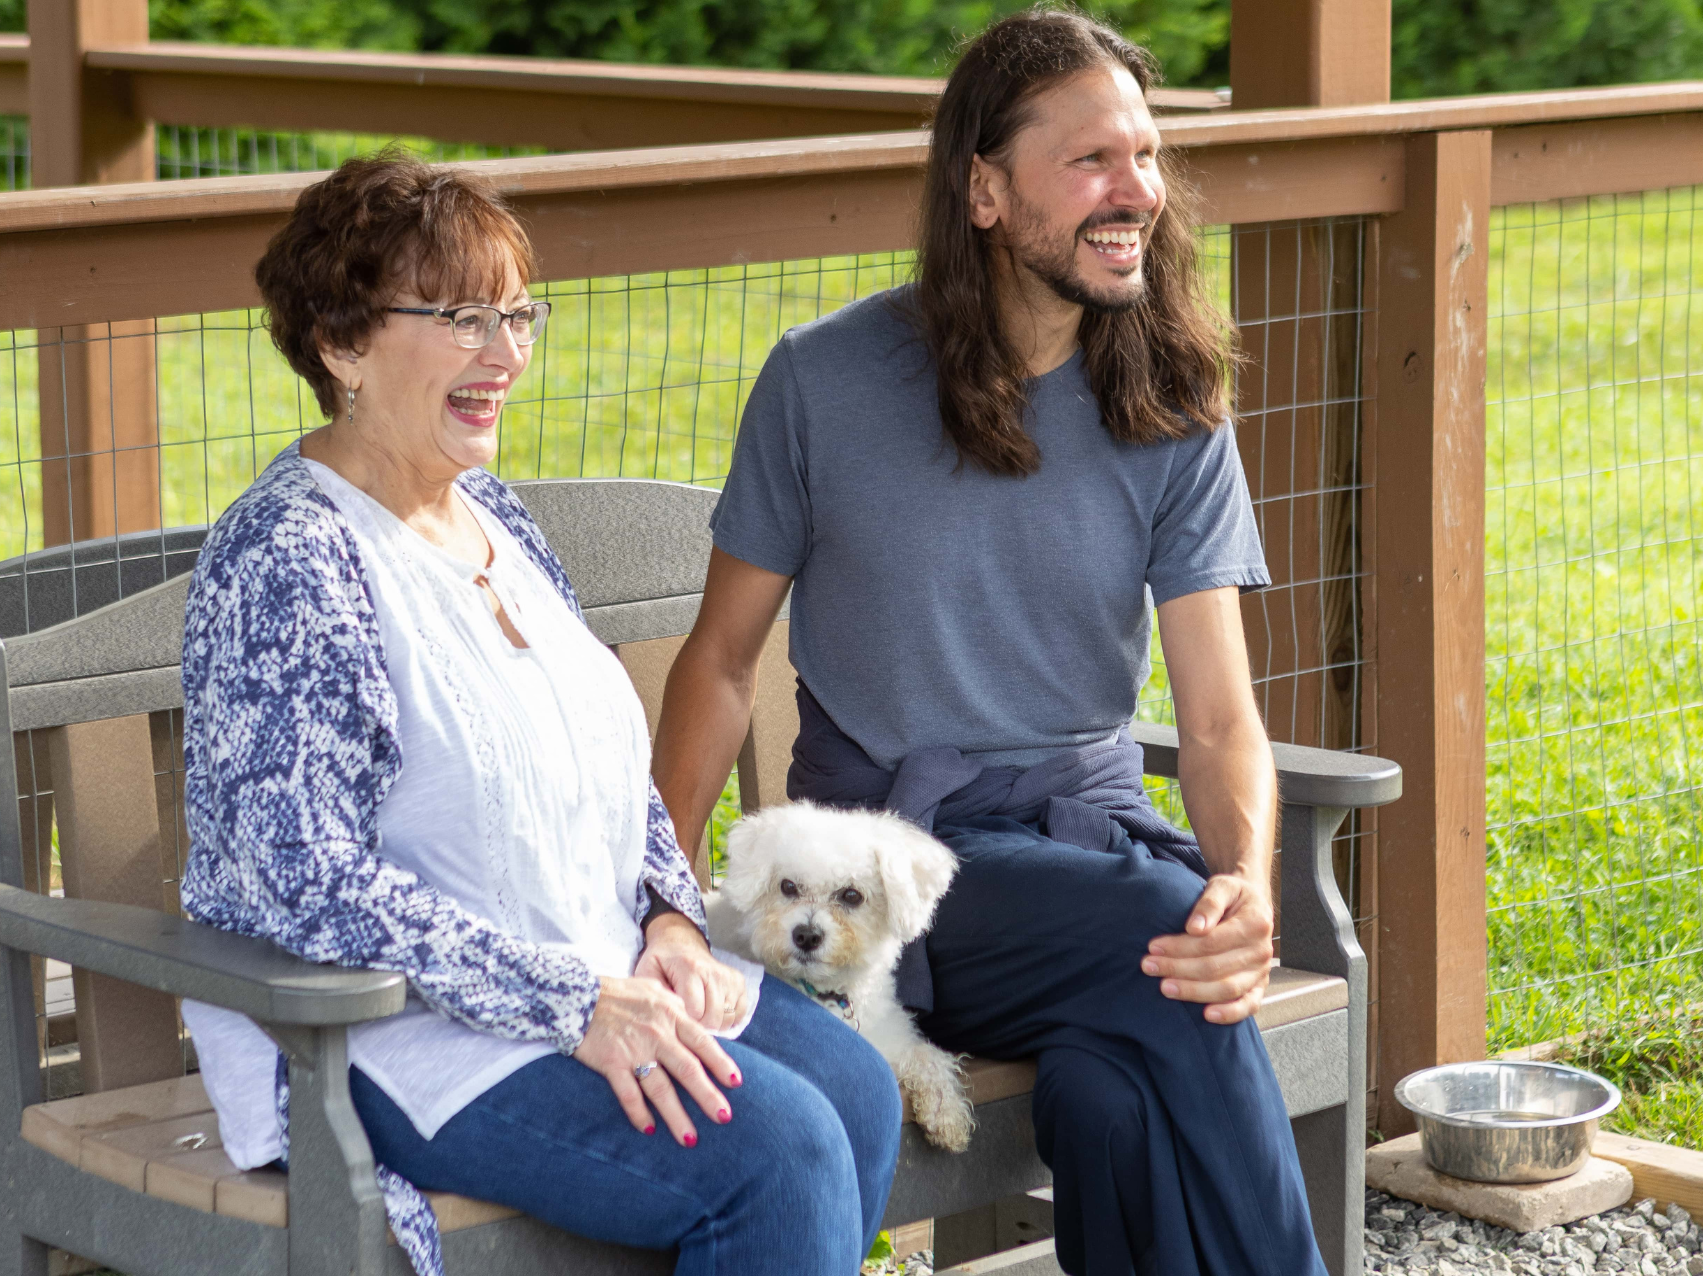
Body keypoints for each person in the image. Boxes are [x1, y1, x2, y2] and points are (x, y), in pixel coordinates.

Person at [652, 11, 1326, 1276]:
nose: (1137, 191)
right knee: (1157, 940)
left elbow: (1223, 717)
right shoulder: (824, 381)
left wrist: (1244, 887)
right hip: (886, 883)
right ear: (982, 188)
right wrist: (654, 900)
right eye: (1090, 162)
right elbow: (722, 660)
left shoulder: (1173, 401)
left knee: (1112, 1093)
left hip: (1080, 856)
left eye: (1147, 154)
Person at [175, 153, 900, 1276]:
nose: (506, 355)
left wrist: (664, 918)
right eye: (463, 318)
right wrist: (570, 1000)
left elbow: (603, 768)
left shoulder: (492, 515)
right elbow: (301, 879)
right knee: (780, 1151)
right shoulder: (291, 561)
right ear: (341, 341)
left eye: (518, 316)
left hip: (590, 967)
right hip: (387, 1035)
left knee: (856, 1090)